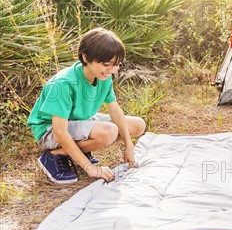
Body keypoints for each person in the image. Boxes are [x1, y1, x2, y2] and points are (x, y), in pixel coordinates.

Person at [28, 28, 146, 184]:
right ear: (86, 57)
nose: (112, 70)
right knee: (109, 132)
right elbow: (59, 132)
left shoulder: (104, 76)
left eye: (116, 65)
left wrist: (129, 147)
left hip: (79, 120)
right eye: (106, 64)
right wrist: (89, 167)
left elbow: (115, 110)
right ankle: (55, 155)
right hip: (49, 130)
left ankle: (77, 149)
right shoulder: (63, 84)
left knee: (138, 125)